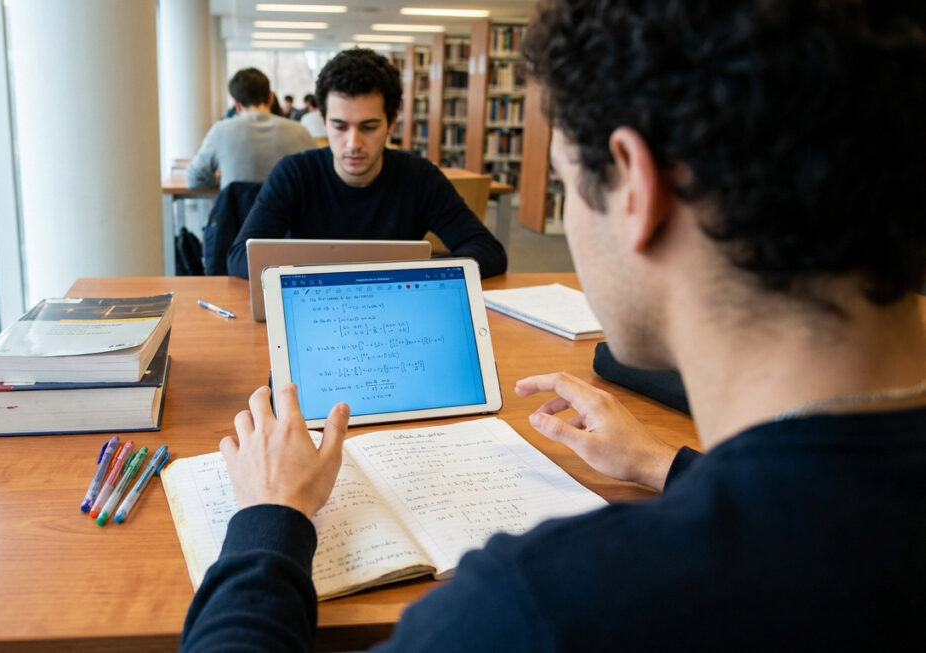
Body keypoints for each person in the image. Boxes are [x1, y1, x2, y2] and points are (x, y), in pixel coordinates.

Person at [181, 0, 926, 650]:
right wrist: (665, 465)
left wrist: (269, 522)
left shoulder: (541, 605)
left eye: (567, 184)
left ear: (634, 187)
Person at [225, 49, 507, 279]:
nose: (353, 143)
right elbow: (239, 258)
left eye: (369, 127)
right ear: (324, 121)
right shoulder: (295, 173)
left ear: (391, 122)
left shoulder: (419, 177)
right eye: (339, 126)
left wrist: (413, 275)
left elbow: (489, 252)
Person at [185, 68, 315, 190]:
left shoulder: (221, 131)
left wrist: (219, 180)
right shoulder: (300, 131)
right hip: (289, 213)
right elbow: (317, 178)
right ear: (270, 98)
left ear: (236, 104)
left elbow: (194, 179)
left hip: (239, 213)